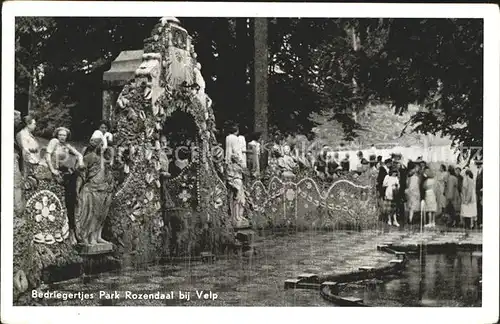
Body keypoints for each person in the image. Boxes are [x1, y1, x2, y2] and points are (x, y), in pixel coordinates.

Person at [75, 134, 114, 245]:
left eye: (103, 146)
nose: (102, 147)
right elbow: (81, 175)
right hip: (91, 190)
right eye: (101, 145)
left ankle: (97, 236)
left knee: (101, 215)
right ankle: (87, 237)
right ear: (96, 145)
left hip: (103, 190)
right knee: (91, 214)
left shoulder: (105, 159)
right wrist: (77, 190)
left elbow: (108, 174)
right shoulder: (90, 157)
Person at [227, 154, 248, 228]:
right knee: (236, 201)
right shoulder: (231, 166)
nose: (238, 159)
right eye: (236, 158)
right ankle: (236, 216)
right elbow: (229, 177)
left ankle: (240, 215)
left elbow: (246, 173)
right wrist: (233, 185)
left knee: (242, 201)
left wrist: (241, 166)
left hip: (240, 182)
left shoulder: (239, 166)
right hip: (235, 182)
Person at [475, 160, 483, 228]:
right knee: (479, 206)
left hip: (481, 192)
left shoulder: (483, 171)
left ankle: (481, 222)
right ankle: (479, 221)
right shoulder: (478, 171)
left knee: (481, 206)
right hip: (478, 192)